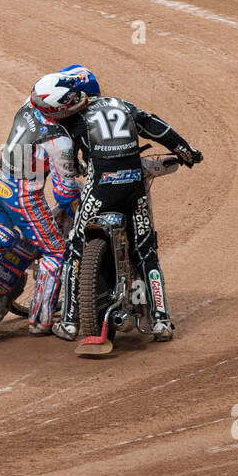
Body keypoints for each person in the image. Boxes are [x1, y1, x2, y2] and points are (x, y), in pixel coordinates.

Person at [54, 93, 202, 342]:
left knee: (75, 248)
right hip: (134, 189)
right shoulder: (123, 106)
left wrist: (78, 168)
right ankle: (161, 321)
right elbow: (157, 127)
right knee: (146, 252)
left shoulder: (74, 118)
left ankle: (68, 323)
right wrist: (188, 153)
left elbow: (68, 162)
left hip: (100, 190)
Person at [0, 71, 91, 334]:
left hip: (1, 185)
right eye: (72, 100)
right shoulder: (59, 140)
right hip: (24, 196)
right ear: (59, 110)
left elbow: (51, 87)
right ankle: (40, 320)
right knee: (55, 252)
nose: (78, 101)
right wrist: (82, 213)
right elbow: (65, 193)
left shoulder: (28, 104)